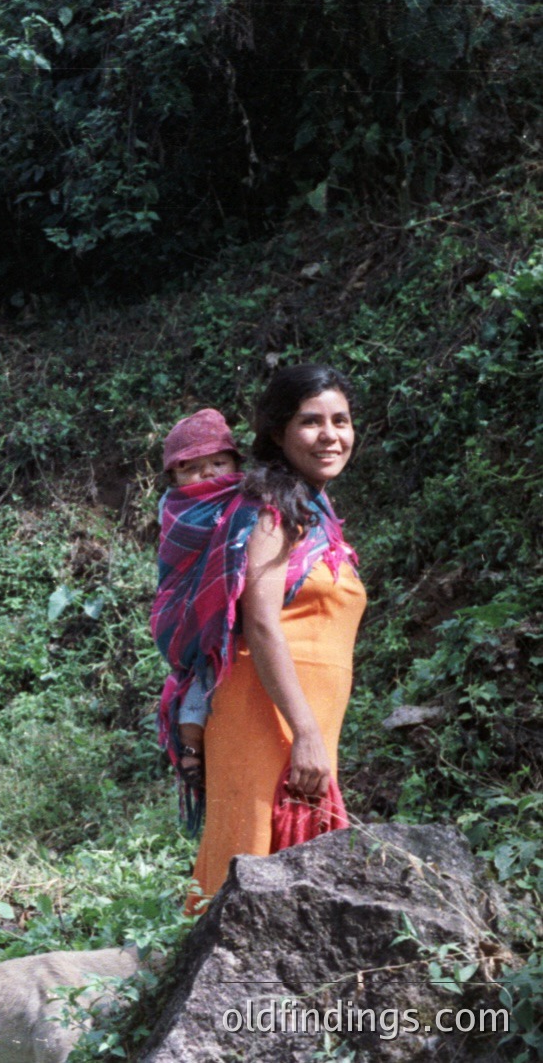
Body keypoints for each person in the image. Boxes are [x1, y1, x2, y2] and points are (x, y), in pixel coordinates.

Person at [188, 365, 364, 912]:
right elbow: (260, 620)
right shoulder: (270, 507)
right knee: (248, 860)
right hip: (264, 715)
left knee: (294, 871)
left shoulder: (312, 510)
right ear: (278, 433)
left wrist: (313, 731)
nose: (330, 435)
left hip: (300, 717)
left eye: (341, 420)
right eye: (311, 422)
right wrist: (305, 730)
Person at [150, 409, 243, 833]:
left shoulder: (247, 500)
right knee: (202, 671)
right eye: (191, 469)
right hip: (187, 608)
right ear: (174, 478)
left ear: (237, 465)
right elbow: (178, 553)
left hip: (227, 615)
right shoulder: (175, 508)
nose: (207, 476)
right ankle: (190, 745)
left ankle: (191, 745)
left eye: (218, 464)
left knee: (206, 675)